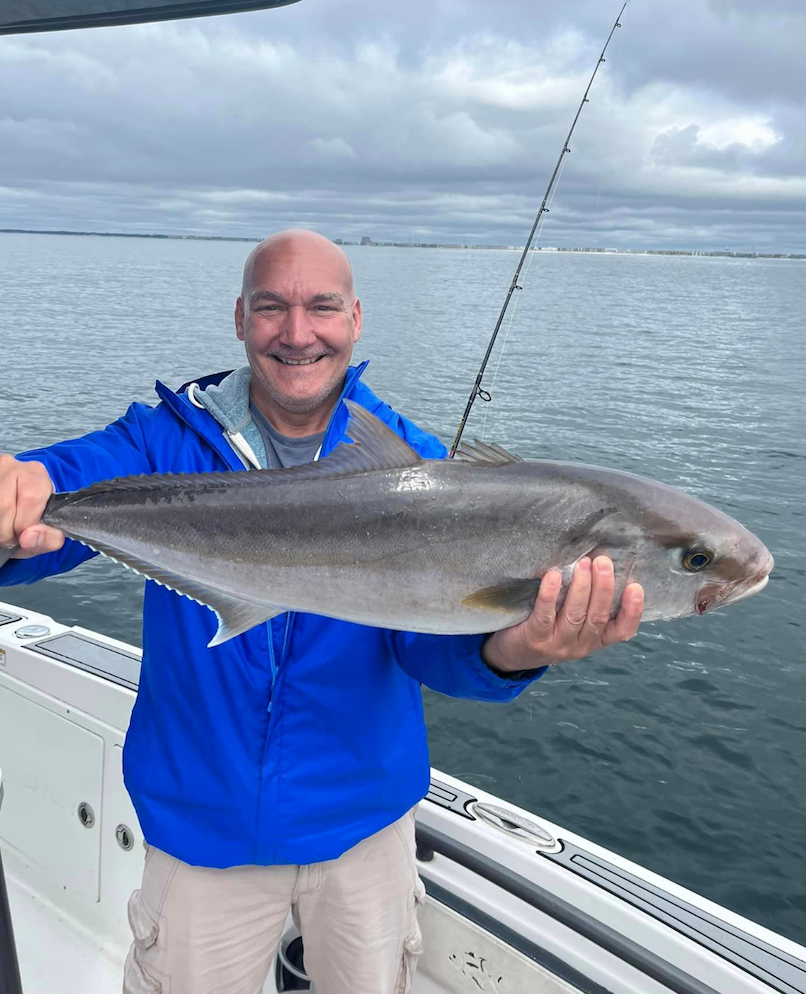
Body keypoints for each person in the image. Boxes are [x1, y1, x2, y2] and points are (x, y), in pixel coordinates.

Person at [0, 229, 644, 994]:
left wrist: (516, 649)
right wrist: (20, 499)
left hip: (362, 826)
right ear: (240, 318)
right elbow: (61, 492)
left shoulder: (414, 466)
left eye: (323, 307)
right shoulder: (163, 440)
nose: (297, 332)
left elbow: (428, 643)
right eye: (271, 306)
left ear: (356, 319)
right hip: (203, 829)